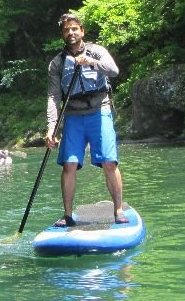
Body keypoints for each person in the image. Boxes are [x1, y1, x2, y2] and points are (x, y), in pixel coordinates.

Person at [46, 13, 125, 227]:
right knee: (69, 165)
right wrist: (51, 128)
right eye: (66, 30)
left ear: (82, 31)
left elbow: (114, 71)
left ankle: (118, 210)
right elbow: (53, 96)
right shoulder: (57, 63)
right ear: (62, 34)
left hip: (100, 110)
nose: (70, 33)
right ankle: (68, 215)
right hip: (72, 115)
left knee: (109, 162)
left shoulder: (97, 51)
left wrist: (91, 62)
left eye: (74, 29)